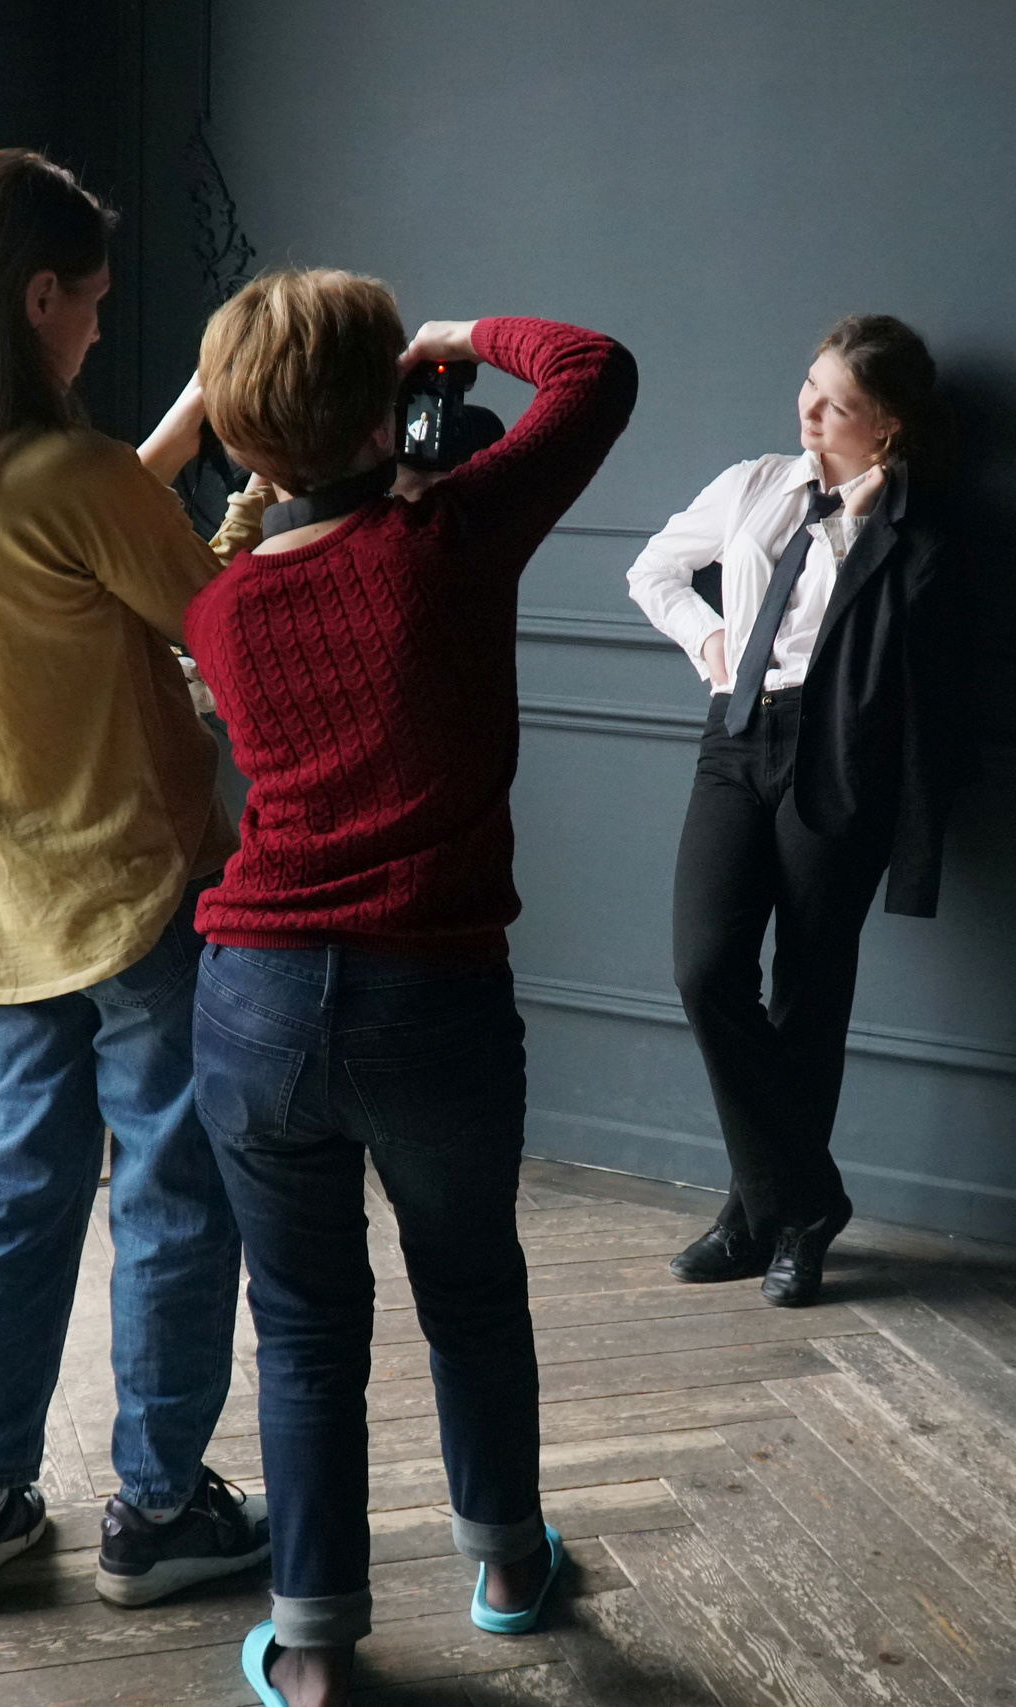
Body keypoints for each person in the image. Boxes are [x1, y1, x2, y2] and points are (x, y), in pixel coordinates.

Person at [183, 270, 638, 1707]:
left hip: (250, 994)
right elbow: (595, 368)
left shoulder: (219, 611)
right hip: (428, 995)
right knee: (470, 1284)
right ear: (392, 400)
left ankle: (313, 1644)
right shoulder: (446, 540)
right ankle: (508, 1563)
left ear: (246, 443)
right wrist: (460, 334)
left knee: (305, 1321)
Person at [0, 148, 267, 1614]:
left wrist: (169, 438)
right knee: (170, 1187)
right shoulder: (76, 477)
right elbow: (221, 631)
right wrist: (256, 498)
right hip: (136, 889)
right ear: (35, 298)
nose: (97, 322)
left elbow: (55, 539)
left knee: (9, 1192)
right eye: (87, 300)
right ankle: (155, 1507)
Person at [625, 314, 965, 1308]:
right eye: (808, 388)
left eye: (837, 404)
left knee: (808, 998)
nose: (808, 412)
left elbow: (930, 703)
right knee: (703, 969)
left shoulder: (917, 535)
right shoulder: (754, 485)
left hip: (839, 761)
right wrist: (709, 640)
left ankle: (758, 1219)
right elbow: (652, 570)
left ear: (887, 428)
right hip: (737, 742)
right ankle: (806, 1199)